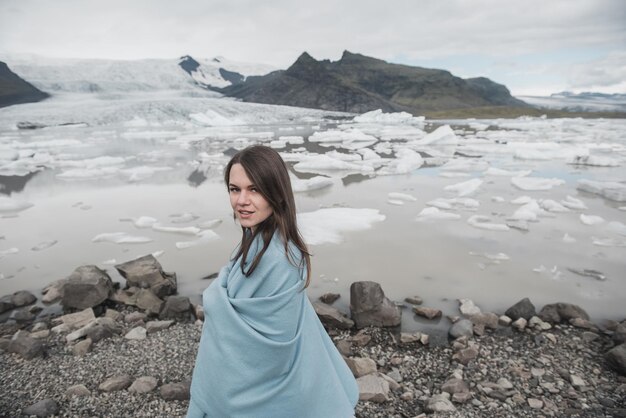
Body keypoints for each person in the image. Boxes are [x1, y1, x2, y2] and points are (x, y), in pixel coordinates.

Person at [187, 145, 359, 418]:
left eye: (254, 189)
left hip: (261, 394)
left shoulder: (280, 258)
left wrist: (216, 298)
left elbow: (270, 348)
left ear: (276, 192)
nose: (242, 200)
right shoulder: (257, 240)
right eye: (235, 189)